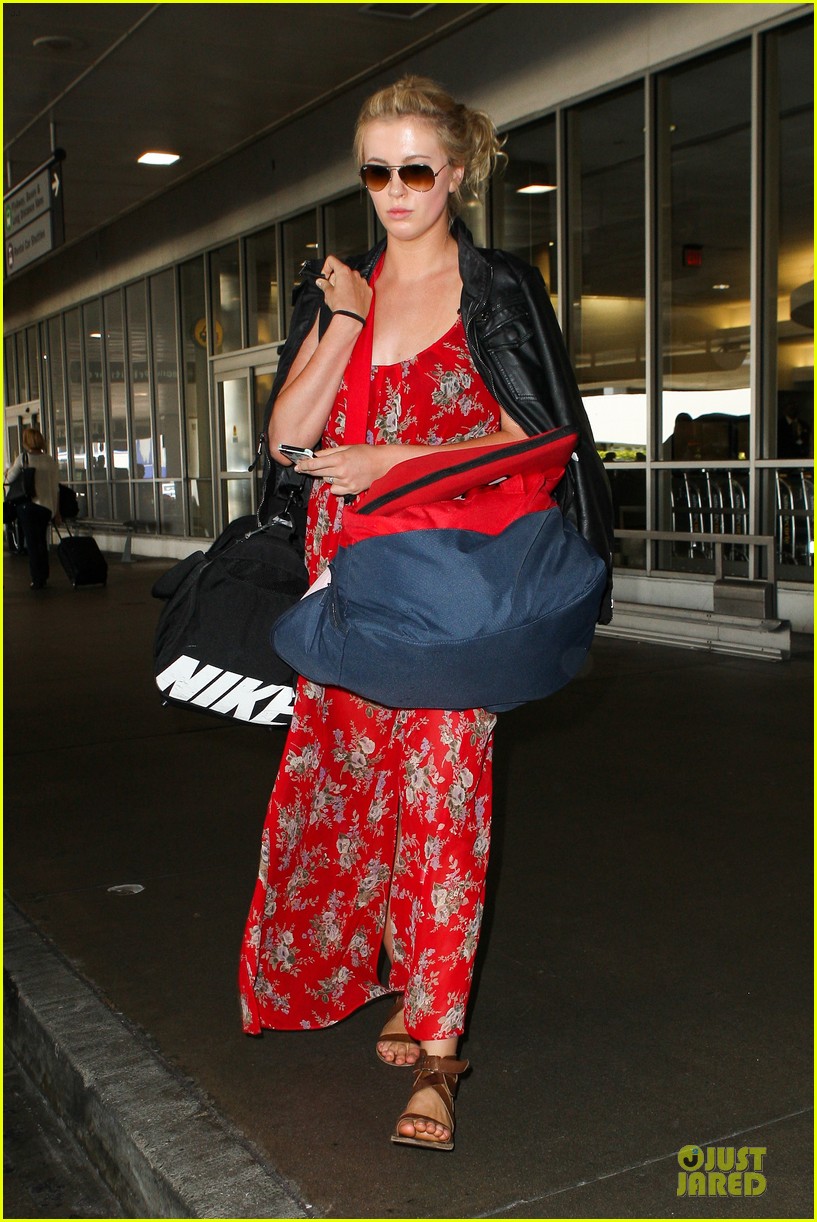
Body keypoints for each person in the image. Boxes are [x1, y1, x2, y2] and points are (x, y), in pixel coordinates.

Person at [239, 76, 613, 1151]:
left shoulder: (498, 290)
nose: (395, 189)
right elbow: (289, 440)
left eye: (415, 168)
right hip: (350, 586)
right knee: (356, 799)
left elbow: (538, 435)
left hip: (457, 583)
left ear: (454, 172)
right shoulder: (341, 291)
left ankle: (441, 1054)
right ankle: (404, 982)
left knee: (445, 799)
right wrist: (345, 321)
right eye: (376, 169)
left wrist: (395, 459)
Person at [5, 426, 61, 589]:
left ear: (26, 442)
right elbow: (56, 487)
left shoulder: (23, 458)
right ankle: (43, 574)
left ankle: (37, 579)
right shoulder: (50, 461)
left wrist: (7, 472)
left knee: (32, 543)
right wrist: (57, 511)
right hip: (46, 507)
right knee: (41, 541)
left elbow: (9, 479)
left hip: (28, 507)